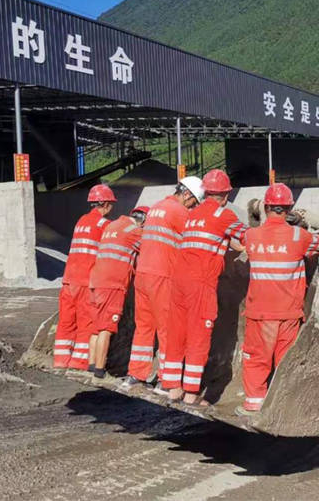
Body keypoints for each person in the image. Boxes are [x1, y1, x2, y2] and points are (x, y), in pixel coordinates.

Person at [236, 183, 319, 415]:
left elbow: (244, 241)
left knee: (256, 358)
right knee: (285, 360)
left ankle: (254, 404)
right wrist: (301, 225)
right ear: (288, 209)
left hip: (259, 313)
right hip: (288, 314)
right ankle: (282, 407)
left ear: (266, 207)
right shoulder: (300, 236)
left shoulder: (251, 235)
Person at [164, 169, 247, 405]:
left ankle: (173, 388)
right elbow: (247, 236)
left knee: (177, 333)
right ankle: (191, 393)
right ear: (226, 195)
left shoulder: (192, 214)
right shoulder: (224, 214)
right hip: (200, 284)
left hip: (178, 282)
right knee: (198, 335)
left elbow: (212, 237)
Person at [121, 176, 205, 393]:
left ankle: (135, 375)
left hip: (143, 275)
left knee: (144, 327)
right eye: (193, 202)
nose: (193, 206)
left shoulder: (156, 207)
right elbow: (197, 239)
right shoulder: (180, 212)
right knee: (169, 328)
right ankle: (166, 380)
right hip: (163, 275)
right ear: (186, 194)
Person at [54, 184, 115, 371]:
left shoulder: (81, 221)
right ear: (105, 203)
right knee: (86, 322)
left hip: (69, 280)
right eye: (111, 203)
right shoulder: (104, 225)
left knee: (66, 321)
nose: (112, 207)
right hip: (85, 281)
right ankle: (79, 362)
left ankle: (60, 360)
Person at [87, 205, 148, 381]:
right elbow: (150, 247)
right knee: (107, 328)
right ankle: (100, 370)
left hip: (97, 281)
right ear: (143, 221)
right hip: (113, 285)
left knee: (97, 327)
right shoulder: (133, 231)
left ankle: (92, 364)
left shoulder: (112, 225)